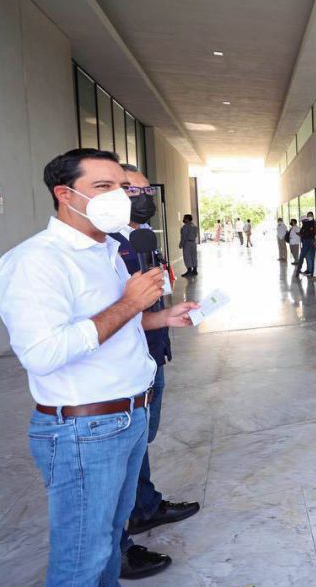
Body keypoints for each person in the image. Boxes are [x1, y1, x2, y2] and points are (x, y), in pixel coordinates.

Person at [0, 148, 198, 586]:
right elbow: (43, 353)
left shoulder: (104, 250)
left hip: (128, 416)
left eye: (122, 187)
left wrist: (157, 316)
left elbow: (111, 321)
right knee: (82, 561)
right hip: (85, 430)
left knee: (107, 545)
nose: (120, 197)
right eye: (103, 187)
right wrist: (129, 302)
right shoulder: (35, 262)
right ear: (65, 195)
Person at [113, 165, 201, 579]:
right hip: (120, 371)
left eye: (146, 188)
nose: (143, 195)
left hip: (150, 353)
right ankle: (119, 546)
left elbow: (149, 302)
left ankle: (145, 506)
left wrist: (165, 319)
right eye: (134, 188)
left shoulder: (143, 240)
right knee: (124, 448)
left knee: (139, 440)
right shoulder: (104, 248)